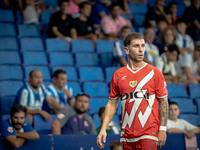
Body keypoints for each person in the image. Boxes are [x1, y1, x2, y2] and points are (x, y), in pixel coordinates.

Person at [97, 32, 169, 150]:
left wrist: (162, 130)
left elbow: (164, 102)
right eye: (136, 46)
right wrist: (104, 128)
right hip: (126, 136)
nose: (141, 50)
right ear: (126, 50)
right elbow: (112, 103)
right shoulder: (118, 75)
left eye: (143, 46)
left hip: (149, 134)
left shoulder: (154, 72)